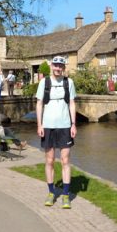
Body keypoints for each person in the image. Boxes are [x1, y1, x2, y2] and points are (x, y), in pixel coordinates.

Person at [36, 56, 76, 209]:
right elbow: (39, 104)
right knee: (50, 160)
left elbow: (72, 103)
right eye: (56, 65)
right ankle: (51, 192)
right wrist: (39, 124)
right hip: (48, 126)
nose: (58, 68)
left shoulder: (69, 82)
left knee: (65, 160)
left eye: (61, 66)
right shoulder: (44, 82)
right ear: (52, 66)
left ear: (64, 67)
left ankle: (65, 195)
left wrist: (73, 124)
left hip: (65, 126)